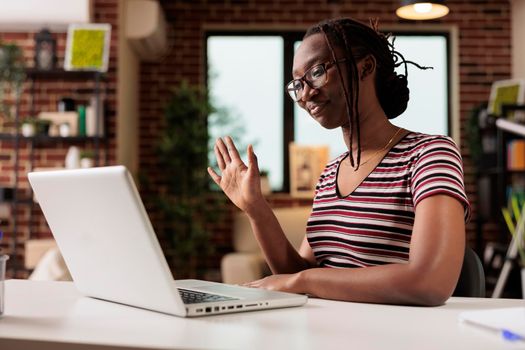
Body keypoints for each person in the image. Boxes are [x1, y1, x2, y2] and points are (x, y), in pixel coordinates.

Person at [208, 17, 470, 306]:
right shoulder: (331, 171)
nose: (305, 93)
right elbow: (295, 276)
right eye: (297, 84)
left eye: (317, 72)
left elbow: (430, 283)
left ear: (365, 68)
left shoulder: (429, 154)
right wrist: (256, 209)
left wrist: (303, 280)